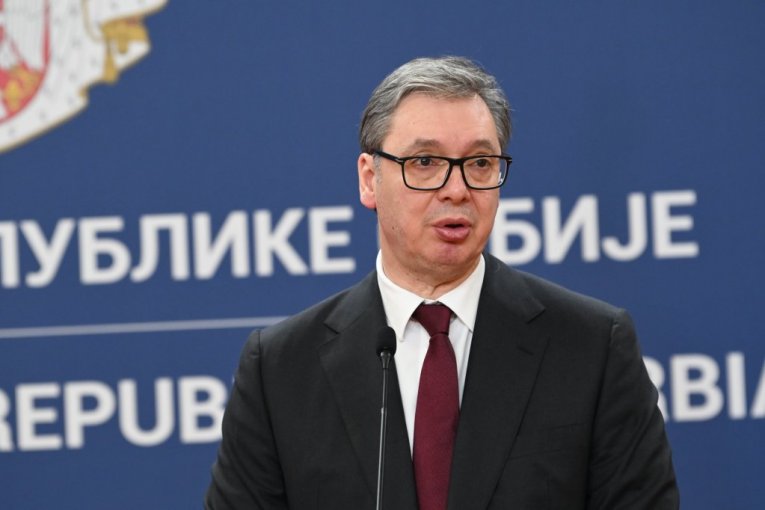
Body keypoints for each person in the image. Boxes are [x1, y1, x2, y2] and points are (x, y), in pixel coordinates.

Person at [205, 56, 679, 509]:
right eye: (425, 162)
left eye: (480, 163)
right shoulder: (280, 370)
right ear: (370, 179)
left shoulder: (592, 347)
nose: (457, 189)